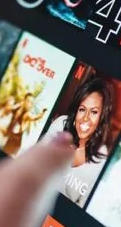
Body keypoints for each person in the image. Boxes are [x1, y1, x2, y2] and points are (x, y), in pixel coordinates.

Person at [45, 76, 115, 207]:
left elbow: (83, 205)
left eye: (94, 112)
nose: (86, 118)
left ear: (102, 118)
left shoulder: (101, 156)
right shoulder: (61, 125)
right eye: (82, 110)